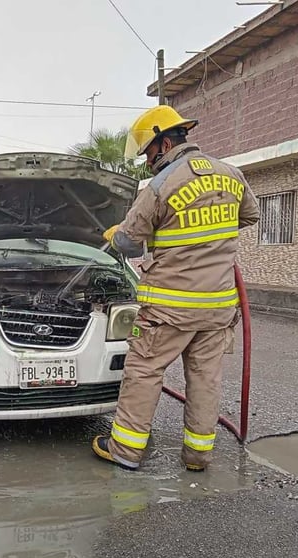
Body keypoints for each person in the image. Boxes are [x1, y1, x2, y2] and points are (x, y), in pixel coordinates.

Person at [91, 105, 260, 472]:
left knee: (144, 371)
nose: (148, 161)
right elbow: (249, 216)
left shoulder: (161, 185)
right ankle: (198, 456)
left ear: (165, 142)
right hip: (218, 307)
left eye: (149, 152)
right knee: (204, 378)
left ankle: (125, 449)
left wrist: (117, 235)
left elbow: (130, 244)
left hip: (169, 307)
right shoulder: (231, 175)